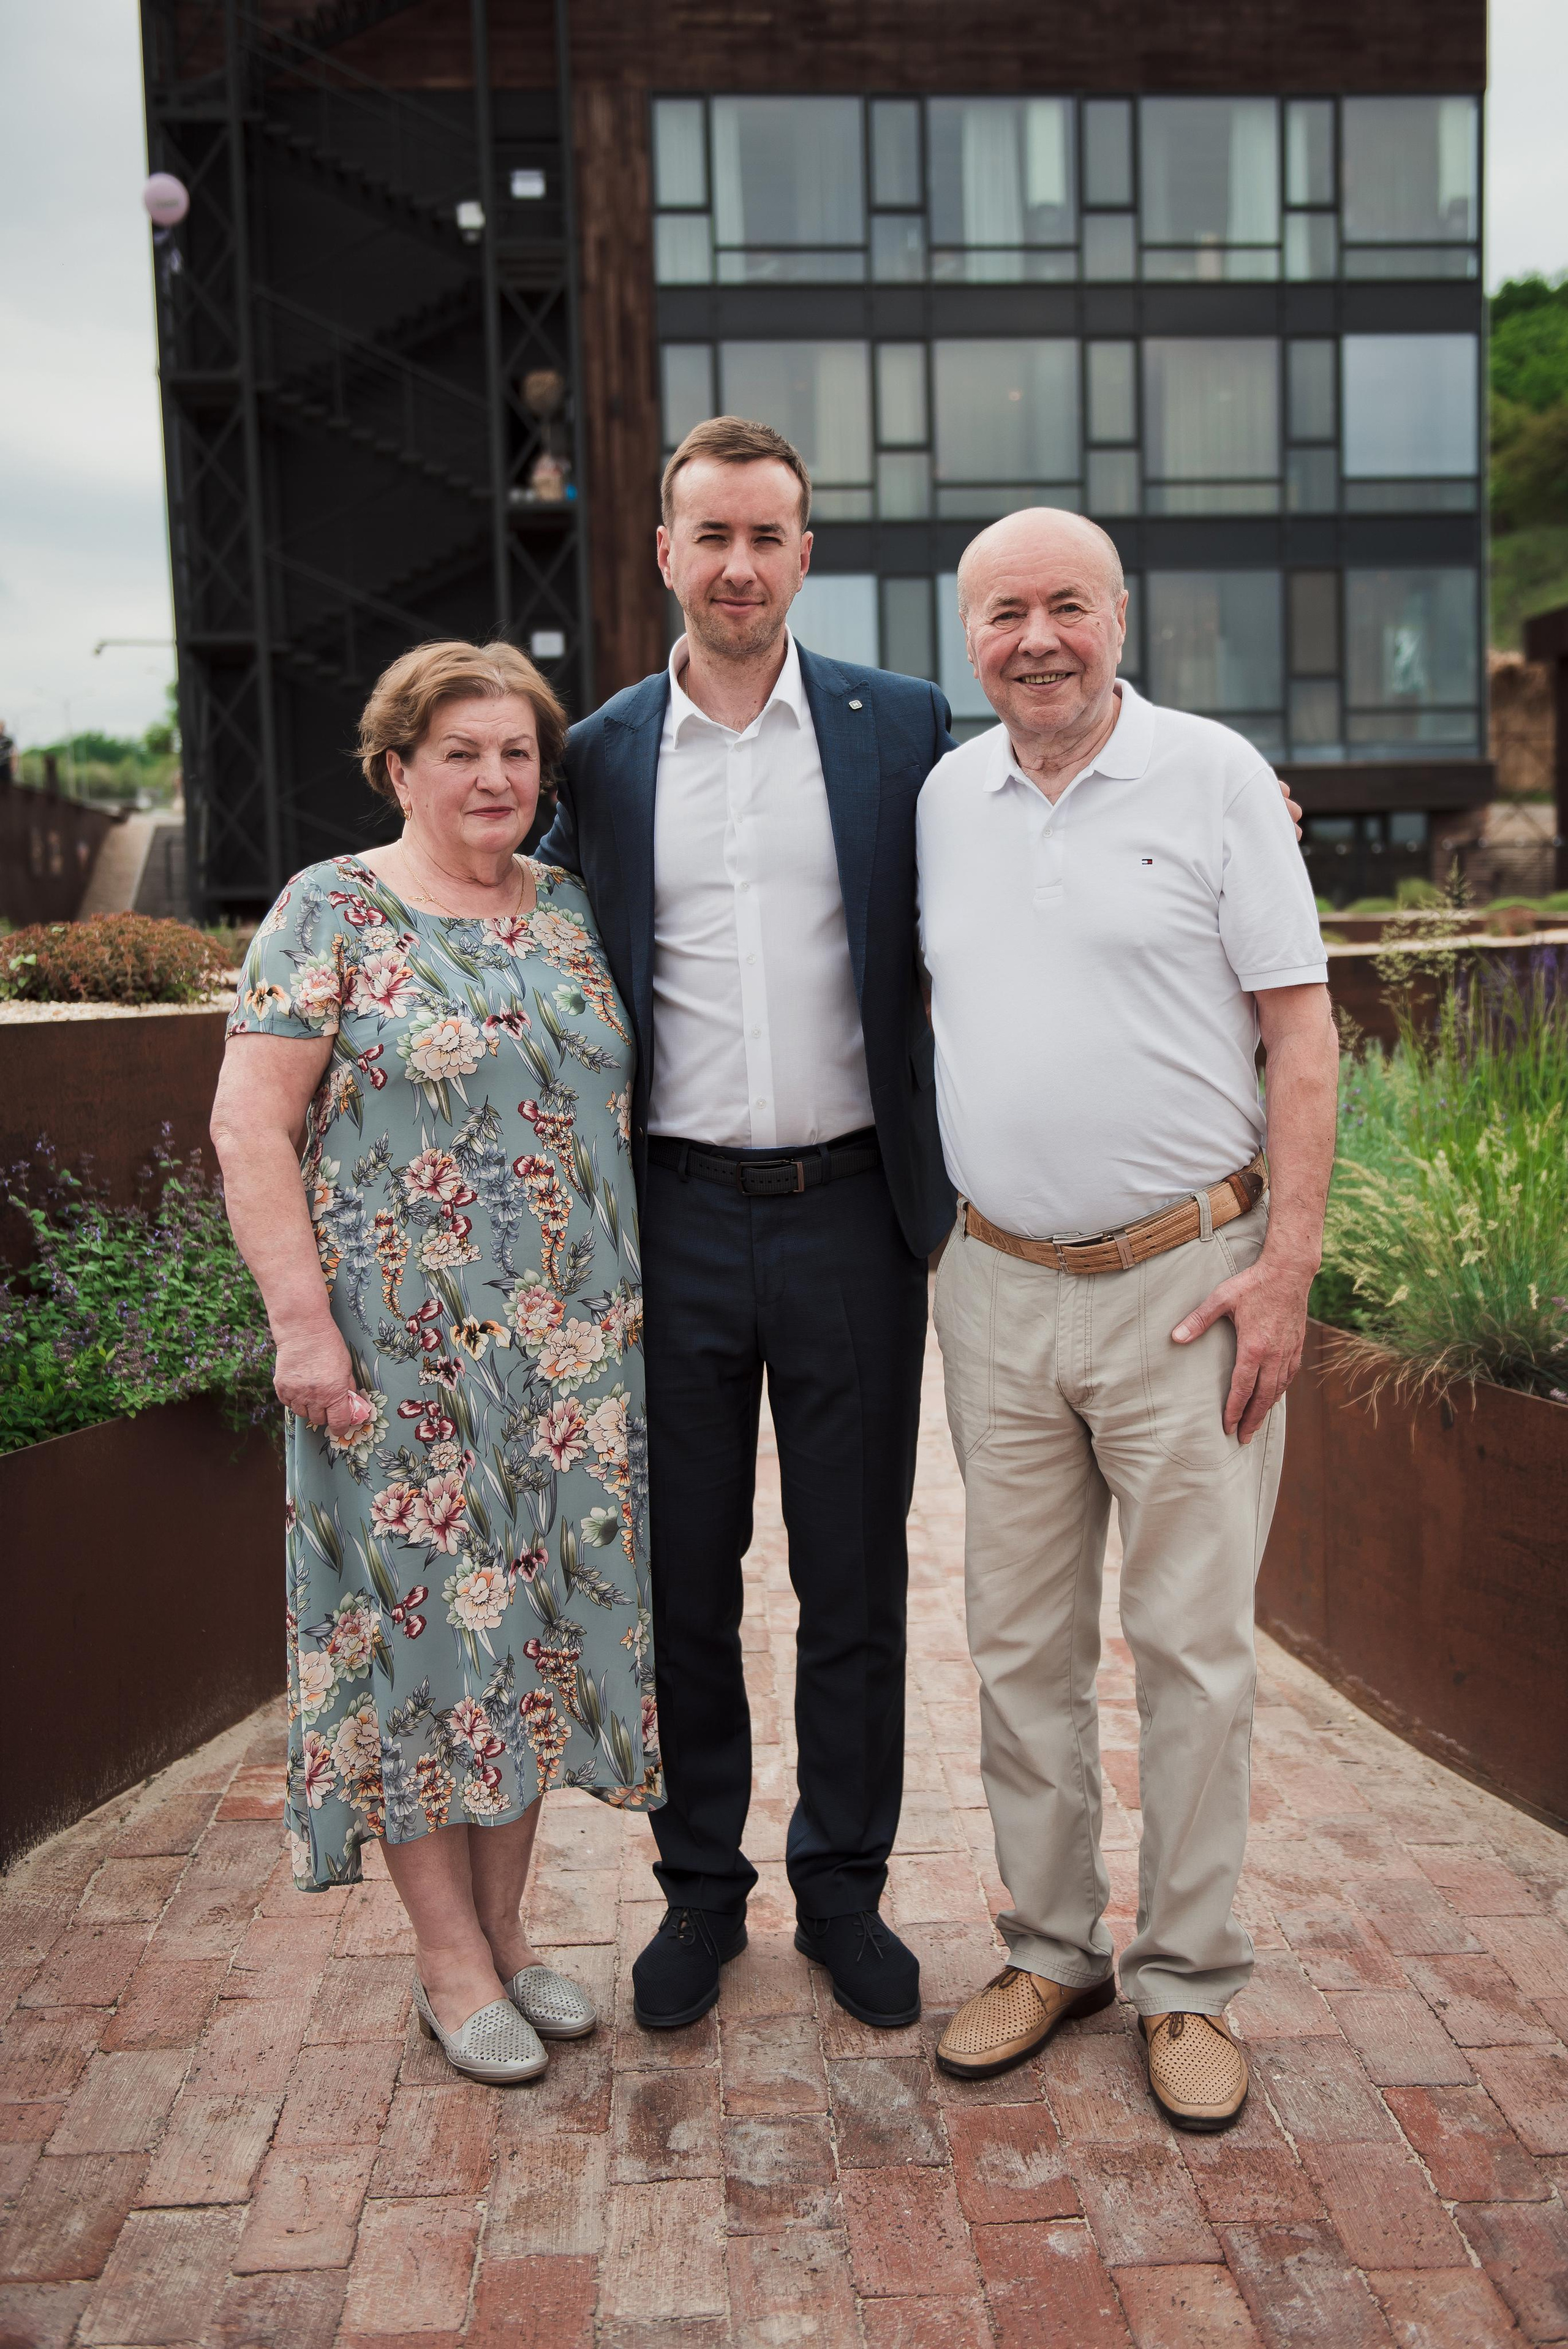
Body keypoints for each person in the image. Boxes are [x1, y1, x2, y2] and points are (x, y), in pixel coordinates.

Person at [537, 417, 958, 2032]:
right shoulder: (601, 752)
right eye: (709, 535)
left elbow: (1031, 806)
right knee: (683, 1580)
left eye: (767, 535)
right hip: (673, 1224)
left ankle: (842, 1889)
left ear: (804, 552)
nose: (737, 563)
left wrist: (1231, 805)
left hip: (854, 1213)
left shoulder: (899, 727)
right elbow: (499, 886)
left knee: (853, 1577)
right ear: (665, 553)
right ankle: (700, 1895)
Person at [921, 510, 1338, 2132]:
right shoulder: (941, 802)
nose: (1038, 637)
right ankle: (1048, 1945)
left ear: (1120, 617)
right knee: (1018, 1643)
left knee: (1192, 1646)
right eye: (1005, 611)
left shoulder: (1219, 778)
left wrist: (1287, 1266)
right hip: (998, 1283)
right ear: (971, 637)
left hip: (1191, 1284)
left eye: (1067, 606)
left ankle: (1189, 1976)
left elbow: (1300, 1040)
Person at [211, 639, 660, 2086]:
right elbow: (247, 1128)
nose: (494, 777)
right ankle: (446, 1961)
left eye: (518, 753)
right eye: (460, 751)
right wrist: (301, 1325)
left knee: (534, 1644)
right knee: (418, 1647)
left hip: (572, 1365)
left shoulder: (575, 909)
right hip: (394, 1365)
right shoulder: (327, 910)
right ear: (397, 766)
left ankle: (512, 1934)